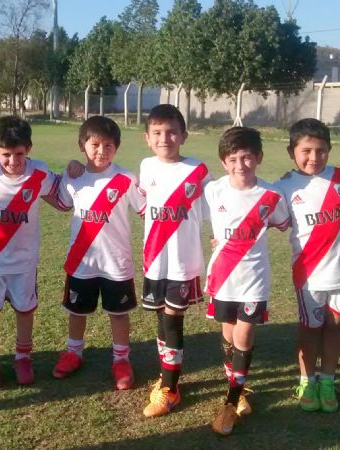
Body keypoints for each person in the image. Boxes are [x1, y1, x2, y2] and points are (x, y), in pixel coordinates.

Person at [203, 126, 290, 435]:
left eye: (247, 158)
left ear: (259, 158)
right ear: (224, 162)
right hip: (223, 277)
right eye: (233, 158)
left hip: (253, 279)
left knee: (243, 339)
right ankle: (237, 384)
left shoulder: (270, 195)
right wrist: (219, 240)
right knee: (228, 338)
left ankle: (231, 402)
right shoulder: (213, 190)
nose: (240, 165)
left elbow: (282, 223)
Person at [49, 116, 144, 391]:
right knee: (77, 311)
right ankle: (73, 352)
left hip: (117, 261)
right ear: (82, 145)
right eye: (95, 144)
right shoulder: (73, 176)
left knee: (118, 313)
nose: (101, 150)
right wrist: (68, 168)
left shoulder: (126, 179)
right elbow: (61, 202)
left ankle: (121, 360)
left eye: (108, 145)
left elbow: (145, 209)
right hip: (82, 261)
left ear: (117, 147)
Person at [274, 118, 340, 413]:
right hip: (309, 276)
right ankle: (306, 379)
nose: (314, 157)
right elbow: (260, 217)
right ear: (292, 152)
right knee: (310, 329)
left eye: (321, 150)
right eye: (306, 150)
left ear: (329, 150)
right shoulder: (283, 187)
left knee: (335, 327)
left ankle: (327, 380)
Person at [0, 116, 59, 390]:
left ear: (29, 149)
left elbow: (62, 198)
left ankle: (23, 357)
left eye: (19, 154)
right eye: (6, 154)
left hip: (24, 262)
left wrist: (76, 169)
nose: (13, 160)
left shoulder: (40, 174)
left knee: (25, 310)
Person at [139, 104, 213, 418]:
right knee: (160, 317)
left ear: (184, 135)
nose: (164, 138)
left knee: (172, 319)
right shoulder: (146, 166)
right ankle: (166, 376)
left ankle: (170, 388)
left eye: (171, 132)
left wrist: (219, 236)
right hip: (155, 260)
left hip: (183, 262)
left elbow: (215, 209)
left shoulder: (198, 171)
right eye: (157, 132)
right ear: (147, 138)